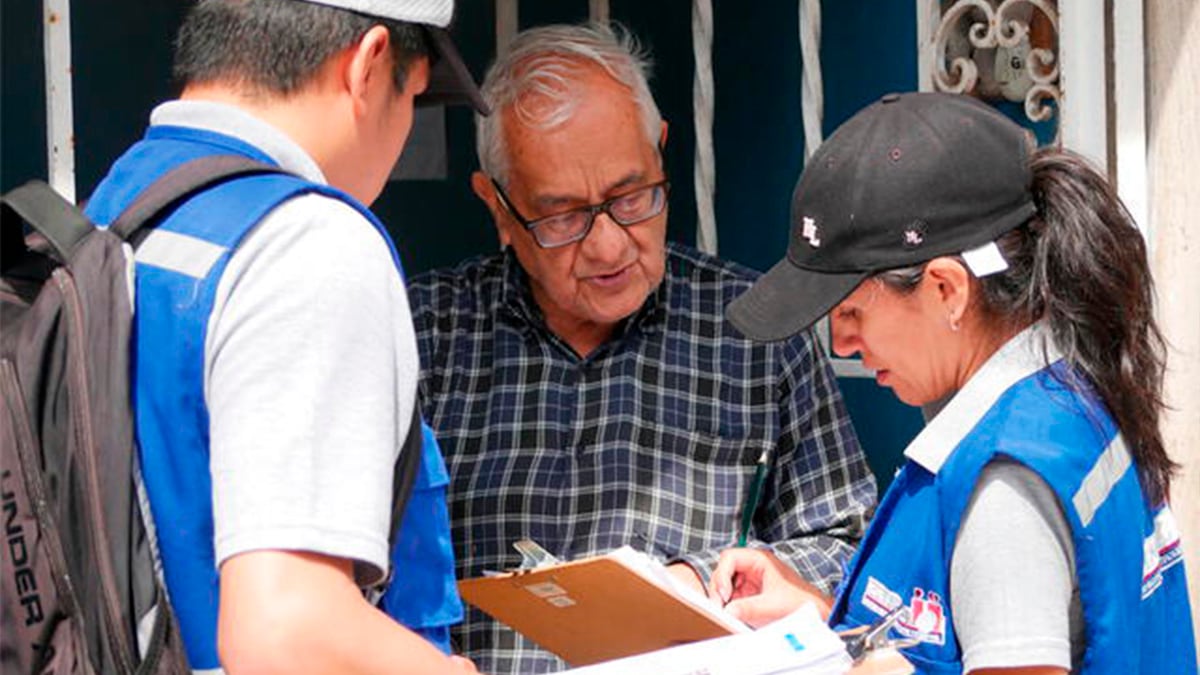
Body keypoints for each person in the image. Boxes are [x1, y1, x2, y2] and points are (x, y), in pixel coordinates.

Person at [407, 23, 877, 673]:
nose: (608, 246)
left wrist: (704, 578)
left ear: (661, 151)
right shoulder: (427, 334)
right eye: (563, 216)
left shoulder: (754, 329)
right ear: (498, 206)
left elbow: (846, 542)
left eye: (630, 198)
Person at [716, 91, 1197, 673]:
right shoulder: (1067, 391)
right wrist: (822, 625)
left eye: (851, 311)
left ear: (947, 290)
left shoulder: (1004, 487)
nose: (841, 344)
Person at [81, 1, 486, 672]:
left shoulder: (117, 206)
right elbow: (290, 627)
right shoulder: (307, 242)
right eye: (415, 97)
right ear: (368, 64)